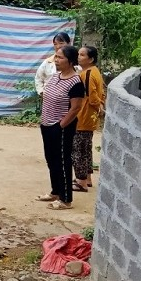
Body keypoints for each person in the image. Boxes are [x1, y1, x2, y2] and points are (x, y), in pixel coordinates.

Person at [36, 45, 84, 210]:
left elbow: (76, 108)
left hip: (61, 127)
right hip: (47, 124)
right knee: (51, 159)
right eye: (56, 57)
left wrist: (61, 125)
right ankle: (55, 191)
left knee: (62, 161)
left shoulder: (76, 82)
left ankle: (65, 199)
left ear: (70, 61)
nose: (56, 60)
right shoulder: (55, 76)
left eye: (60, 58)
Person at [73, 46, 105, 192]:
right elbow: (101, 92)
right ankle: (87, 178)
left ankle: (81, 181)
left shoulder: (87, 74)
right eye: (78, 54)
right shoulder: (95, 72)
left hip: (83, 115)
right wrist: (100, 106)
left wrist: (98, 106)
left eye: (82, 55)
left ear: (90, 59)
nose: (79, 57)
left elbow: (92, 97)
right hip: (90, 116)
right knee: (86, 148)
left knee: (78, 148)